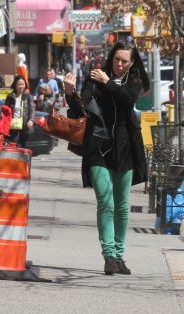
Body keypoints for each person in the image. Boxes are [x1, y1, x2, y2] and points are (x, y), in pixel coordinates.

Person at [62, 42, 149, 276]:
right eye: (116, 59)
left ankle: (119, 255)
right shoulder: (94, 77)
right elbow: (82, 108)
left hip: (125, 150)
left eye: (124, 61)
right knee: (106, 203)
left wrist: (107, 82)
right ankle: (109, 255)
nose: (119, 64)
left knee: (122, 207)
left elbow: (127, 100)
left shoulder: (134, 80)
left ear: (132, 63)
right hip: (98, 149)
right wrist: (70, 93)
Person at [4, 75, 34, 147]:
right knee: (15, 145)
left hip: (25, 125)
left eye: (22, 84)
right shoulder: (10, 96)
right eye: (19, 84)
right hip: (14, 125)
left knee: (24, 146)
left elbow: (32, 109)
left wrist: (31, 120)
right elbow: (5, 110)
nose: (21, 86)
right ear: (15, 85)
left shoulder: (28, 96)